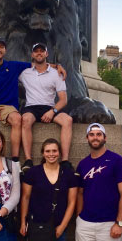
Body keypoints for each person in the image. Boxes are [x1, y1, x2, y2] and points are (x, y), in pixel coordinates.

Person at [0, 37, 65, 167]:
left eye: (1, 47)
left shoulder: (13, 66)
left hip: (7, 107)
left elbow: (38, 65)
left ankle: (15, 160)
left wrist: (58, 66)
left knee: (17, 119)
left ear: (5, 50)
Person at [75, 123, 122, 241]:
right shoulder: (82, 164)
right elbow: (80, 192)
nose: (95, 137)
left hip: (110, 224)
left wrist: (120, 223)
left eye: (99, 134)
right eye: (91, 135)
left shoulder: (117, 160)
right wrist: (79, 218)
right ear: (87, 138)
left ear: (104, 138)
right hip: (85, 225)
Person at [19, 43, 73, 173]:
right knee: (25, 119)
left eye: (41, 51)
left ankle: (65, 160)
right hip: (31, 107)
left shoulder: (56, 74)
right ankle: (28, 160)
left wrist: (52, 111)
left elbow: (63, 99)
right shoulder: (24, 73)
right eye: (36, 51)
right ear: (32, 54)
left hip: (49, 107)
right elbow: (4, 67)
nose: (39, 53)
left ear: (46, 54)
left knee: (68, 120)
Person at [20, 138, 77, 241]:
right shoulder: (33, 172)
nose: (51, 154)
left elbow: (72, 202)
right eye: (48, 151)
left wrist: (62, 226)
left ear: (59, 153)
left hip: (58, 227)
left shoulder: (69, 174)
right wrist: (23, 222)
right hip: (36, 225)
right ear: (42, 153)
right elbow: (25, 197)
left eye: (54, 151)